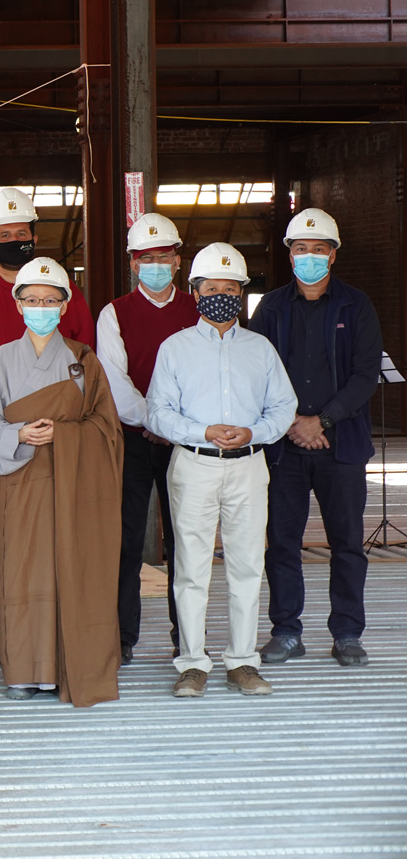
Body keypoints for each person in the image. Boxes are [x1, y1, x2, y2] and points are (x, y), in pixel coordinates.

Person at [0, 187, 96, 668]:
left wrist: (54, 420)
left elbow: (86, 360)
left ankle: (54, 628)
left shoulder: (65, 293)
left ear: (35, 236)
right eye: (5, 234)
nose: (15, 240)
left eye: (22, 233)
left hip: (56, 440)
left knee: (55, 532)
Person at [147, 243, 298, 699]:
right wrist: (203, 431)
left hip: (248, 465)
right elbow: (158, 412)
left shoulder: (260, 349)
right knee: (191, 567)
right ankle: (192, 663)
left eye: (230, 289)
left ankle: (242, 661)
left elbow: (284, 406)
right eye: (211, 289)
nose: (221, 297)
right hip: (194, 464)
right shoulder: (175, 348)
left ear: (242, 293)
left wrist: (253, 432)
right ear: (195, 292)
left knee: (247, 564)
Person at [0, 257, 123, 705]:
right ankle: (24, 669)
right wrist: (17, 434)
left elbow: (107, 427)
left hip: (71, 482)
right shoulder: (2, 359)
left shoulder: (82, 359)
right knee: (21, 570)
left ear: (65, 305)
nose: (41, 307)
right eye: (32, 300)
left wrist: (66, 434)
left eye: (50, 300)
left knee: (69, 567)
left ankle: (64, 666)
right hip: (20, 481)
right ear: (18, 305)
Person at [253, 208, 381, 668]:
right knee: (282, 543)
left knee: (346, 543)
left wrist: (321, 421)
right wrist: (291, 422)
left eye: (319, 249)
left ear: (333, 254)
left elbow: (365, 375)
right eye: (301, 249)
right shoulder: (271, 307)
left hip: (341, 446)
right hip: (283, 448)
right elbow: (256, 372)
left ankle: (347, 633)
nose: (309, 256)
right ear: (290, 255)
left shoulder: (356, 305)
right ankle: (286, 631)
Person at [95, 214, 197, 664]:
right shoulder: (114, 313)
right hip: (132, 441)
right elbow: (114, 382)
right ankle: (122, 636)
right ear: (133, 263)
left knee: (185, 541)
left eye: (163, 256)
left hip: (186, 442)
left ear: (177, 260)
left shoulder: (199, 308)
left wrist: (174, 427)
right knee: (126, 539)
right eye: (145, 258)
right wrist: (154, 421)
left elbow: (206, 378)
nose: (154, 264)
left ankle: (187, 636)